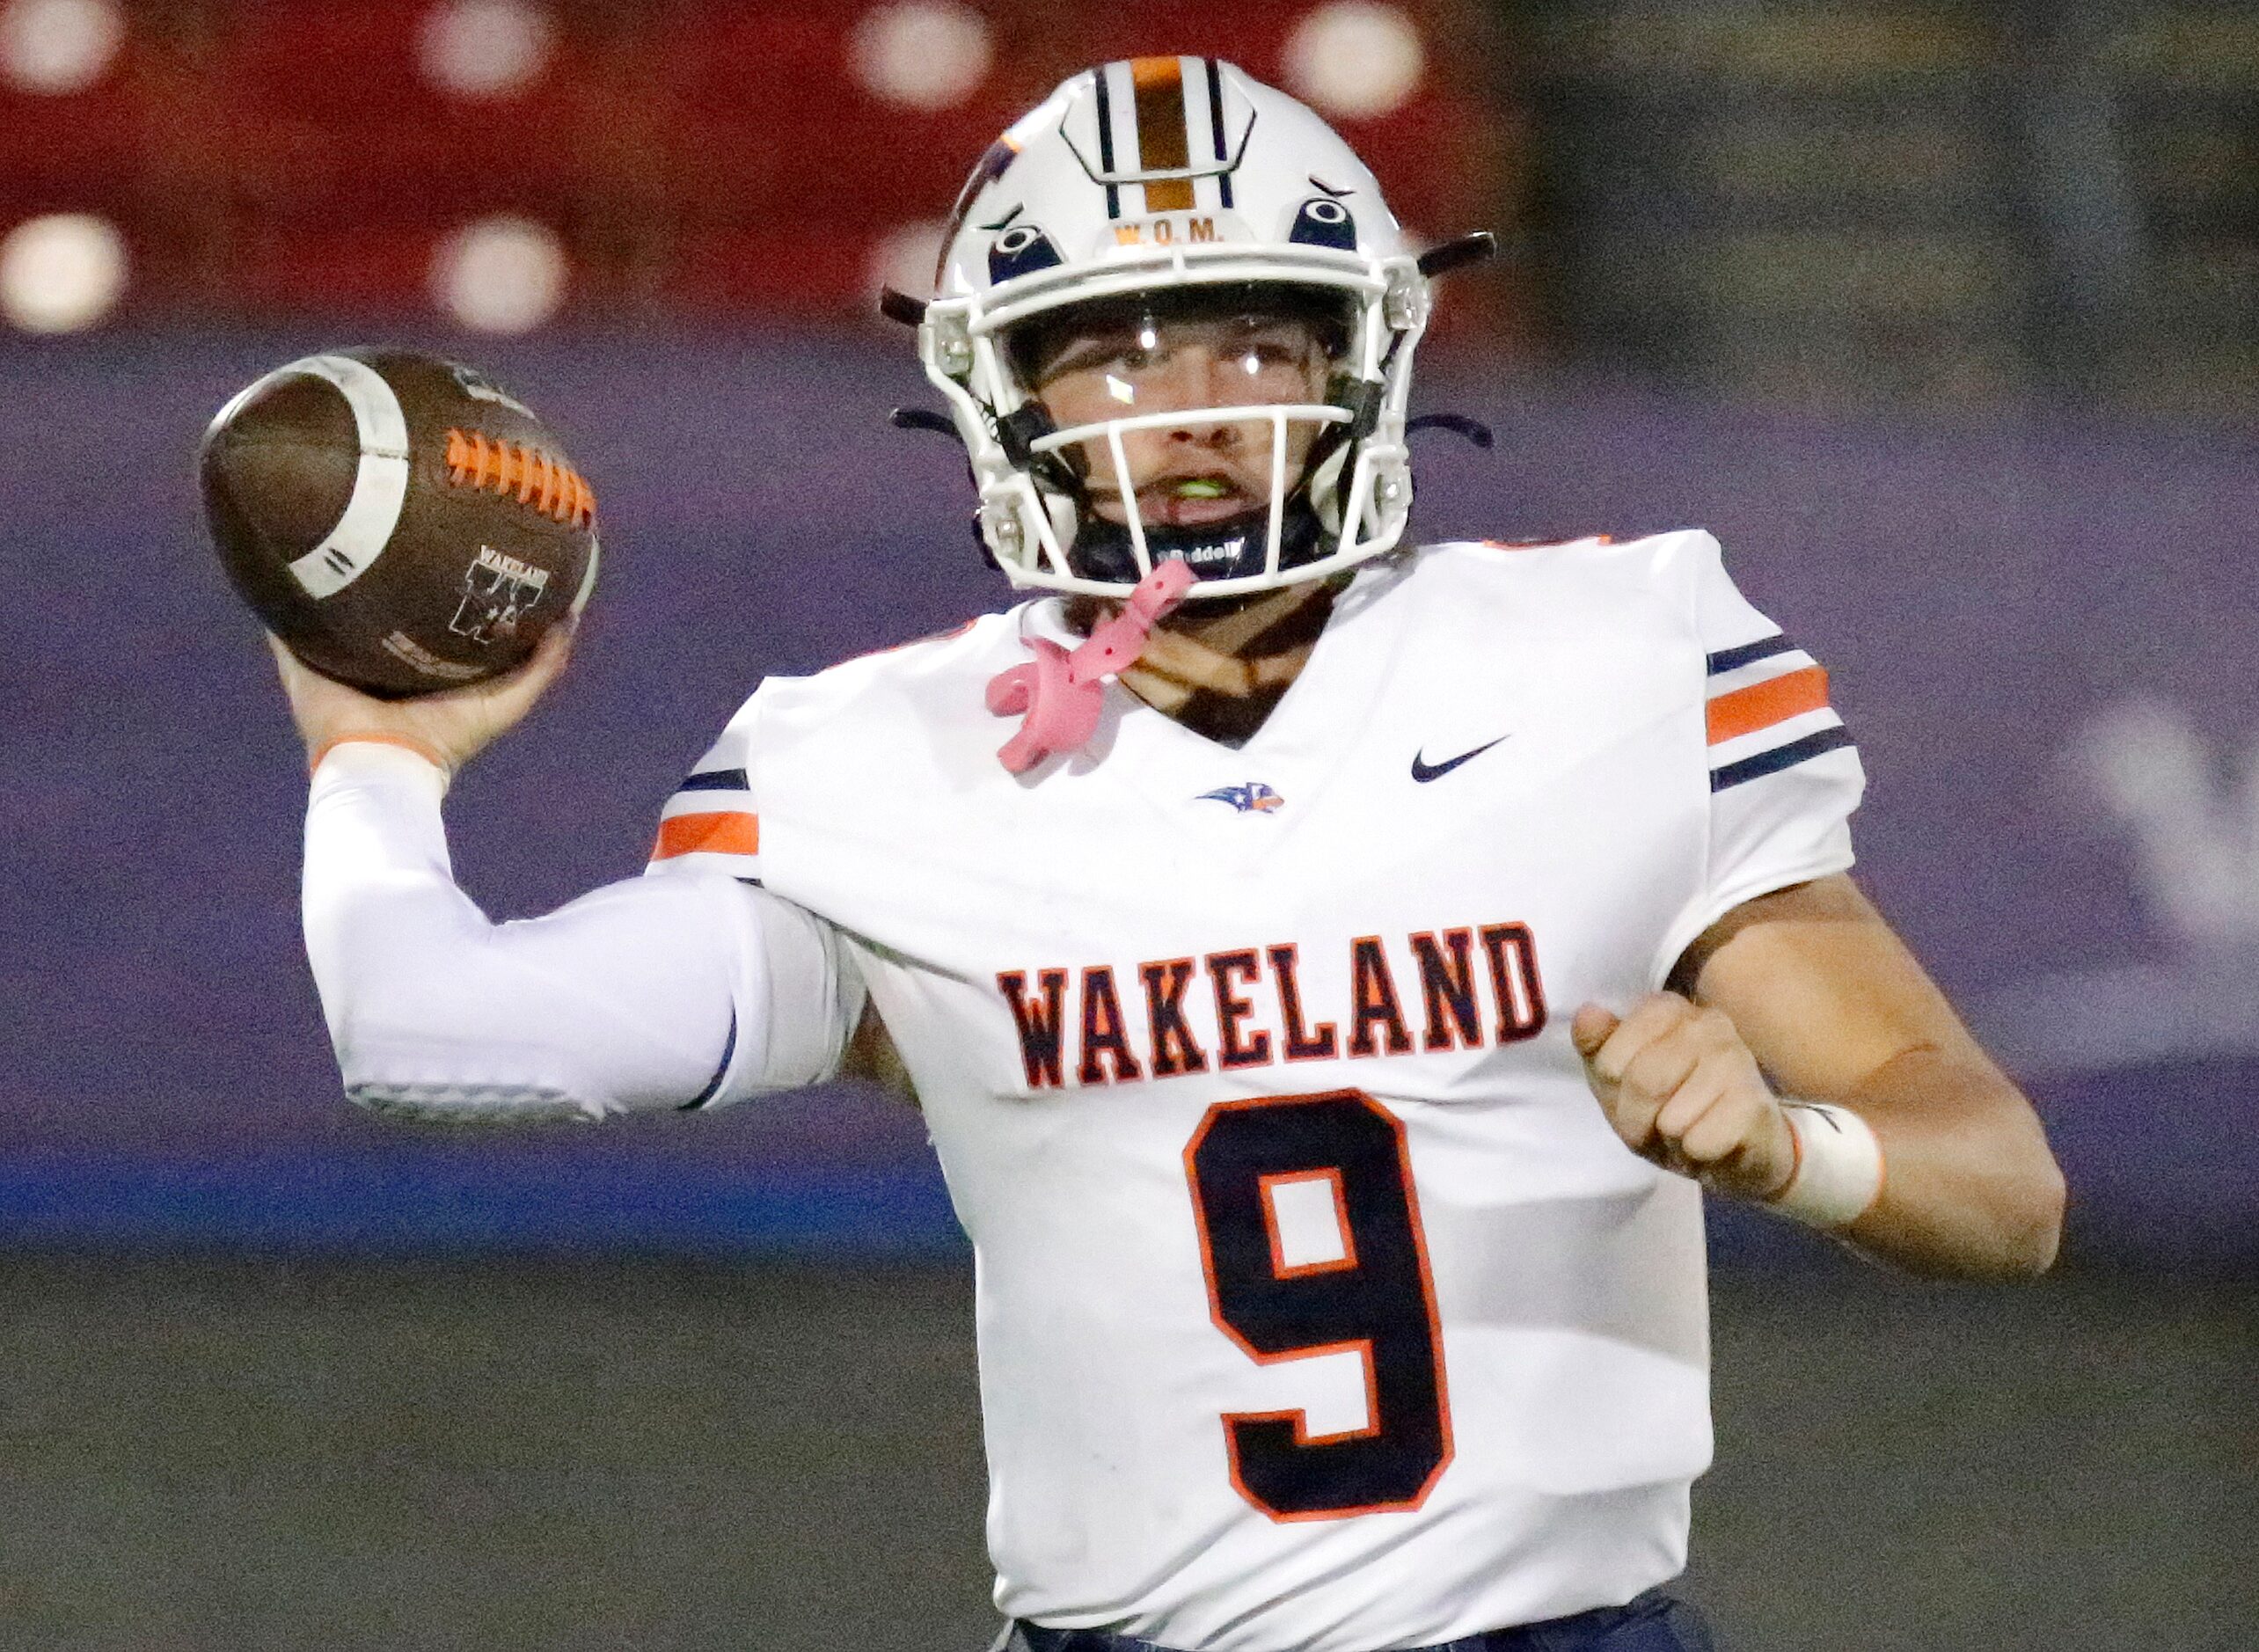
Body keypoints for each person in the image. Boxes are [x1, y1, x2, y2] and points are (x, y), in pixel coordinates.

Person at [277, 59, 2065, 1652]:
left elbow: (2003, 1188)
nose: (1192, 408)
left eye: (1254, 340)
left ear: (1366, 351)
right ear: (1001, 392)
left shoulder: (1612, 656)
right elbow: (431, 1033)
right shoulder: (871, 768)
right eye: (1116, 350)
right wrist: (378, 756)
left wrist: (1791, 1152)